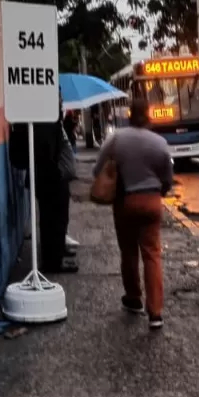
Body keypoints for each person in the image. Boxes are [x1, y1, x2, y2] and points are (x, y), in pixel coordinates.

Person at [93, 98, 173, 329]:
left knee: (128, 252)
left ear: (129, 114)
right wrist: (161, 190)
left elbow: (98, 169)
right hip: (151, 202)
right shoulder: (160, 143)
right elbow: (168, 177)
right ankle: (155, 313)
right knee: (152, 254)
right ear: (148, 115)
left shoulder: (116, 139)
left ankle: (134, 298)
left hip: (125, 202)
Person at [34, 96, 78, 274]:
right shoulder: (48, 125)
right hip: (52, 180)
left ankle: (56, 254)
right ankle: (53, 262)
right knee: (53, 221)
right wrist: (57, 173)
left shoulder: (54, 123)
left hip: (54, 179)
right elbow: (49, 152)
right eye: (58, 101)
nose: (61, 104)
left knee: (57, 220)